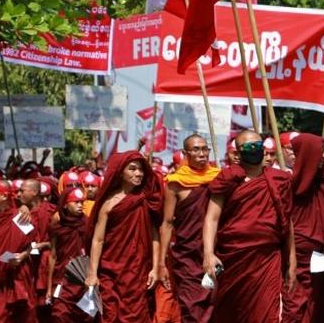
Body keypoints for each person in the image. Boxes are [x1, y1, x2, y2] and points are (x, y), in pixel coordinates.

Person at [203, 130, 296, 322]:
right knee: (233, 313)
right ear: (238, 152)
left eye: (258, 146)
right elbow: (211, 218)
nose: (254, 149)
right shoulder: (228, 178)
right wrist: (208, 254)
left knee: (266, 313)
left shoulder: (279, 179)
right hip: (235, 258)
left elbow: (287, 223)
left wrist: (292, 259)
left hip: (267, 258)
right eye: (248, 146)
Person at [85, 150, 162, 322]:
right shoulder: (109, 203)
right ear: (120, 172)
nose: (138, 173)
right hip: (110, 270)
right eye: (132, 169)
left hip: (137, 271)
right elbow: (98, 240)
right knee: (110, 315)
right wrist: (92, 273)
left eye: (141, 169)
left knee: (138, 315)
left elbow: (155, 235)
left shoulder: (146, 200)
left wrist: (156, 267)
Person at [159, 135, 220, 322]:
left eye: (205, 149)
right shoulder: (175, 183)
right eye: (196, 150)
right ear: (185, 153)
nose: (202, 154)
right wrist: (161, 262)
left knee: (215, 305)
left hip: (216, 250)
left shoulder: (218, 177)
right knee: (191, 307)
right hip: (188, 254)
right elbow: (168, 222)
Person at [281, 133, 324, 323]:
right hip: (299, 253)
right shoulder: (290, 184)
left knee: (319, 303)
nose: (322, 158)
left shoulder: (322, 181)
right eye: (318, 153)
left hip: (323, 253)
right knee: (297, 302)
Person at [0, 180, 37, 322]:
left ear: (4, 196)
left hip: (17, 276)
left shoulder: (20, 217)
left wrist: (22, 256)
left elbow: (31, 245)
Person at [47, 188, 92, 322]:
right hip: (63, 278)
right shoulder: (57, 226)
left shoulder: (88, 223)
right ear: (65, 204)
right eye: (76, 202)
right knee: (60, 314)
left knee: (86, 317)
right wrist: (49, 288)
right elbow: (53, 255)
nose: (80, 205)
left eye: (81, 202)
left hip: (84, 278)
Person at [18, 179, 55, 322]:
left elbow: (62, 242)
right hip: (28, 263)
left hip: (46, 263)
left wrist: (44, 244)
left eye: (22, 191)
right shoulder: (21, 212)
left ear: (34, 192)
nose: (18, 194)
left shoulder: (52, 211)